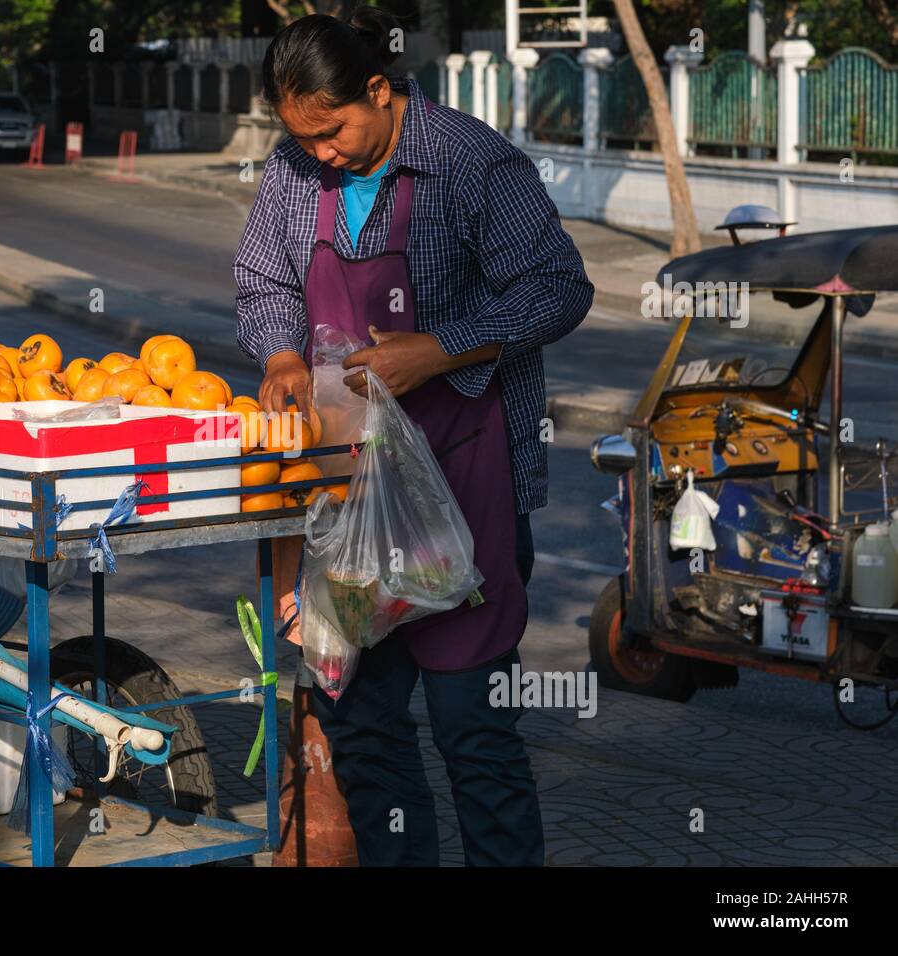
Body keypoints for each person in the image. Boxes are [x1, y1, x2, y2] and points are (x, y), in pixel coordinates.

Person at [234, 6, 594, 866]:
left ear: (379, 89)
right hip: (343, 499)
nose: (318, 152)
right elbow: (261, 280)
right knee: (363, 728)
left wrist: (438, 349)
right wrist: (282, 352)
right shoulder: (293, 172)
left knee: (473, 729)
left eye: (332, 131)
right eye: (301, 137)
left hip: (462, 488)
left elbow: (559, 288)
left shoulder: (471, 162)